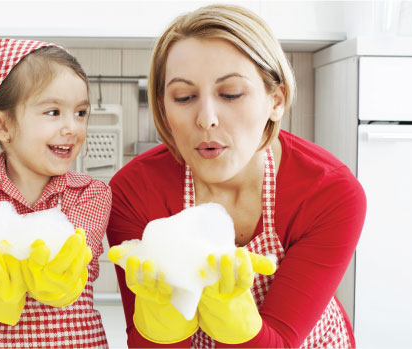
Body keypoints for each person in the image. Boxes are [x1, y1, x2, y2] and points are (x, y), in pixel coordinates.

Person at [106, 4, 366, 348]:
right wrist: (162, 321)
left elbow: (282, 341)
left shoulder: (329, 193)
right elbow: (146, 343)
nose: (206, 119)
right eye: (184, 97)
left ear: (276, 99)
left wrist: (232, 319)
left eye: (231, 94)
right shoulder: (133, 193)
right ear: (164, 109)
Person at [0, 39, 112, 348]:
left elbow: (74, 263)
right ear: (0, 124)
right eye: (53, 112)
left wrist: (50, 275)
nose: (73, 127)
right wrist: (0, 288)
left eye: (81, 113)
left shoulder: (91, 194)